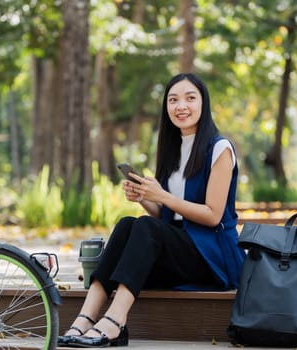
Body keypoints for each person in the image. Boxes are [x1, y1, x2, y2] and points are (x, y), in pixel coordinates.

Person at [58, 73, 245, 348]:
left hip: (212, 256)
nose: (181, 106)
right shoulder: (172, 149)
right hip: (180, 248)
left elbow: (213, 215)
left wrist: (163, 196)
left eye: (190, 98)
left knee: (146, 227)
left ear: (204, 104)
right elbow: (166, 218)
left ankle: (115, 321)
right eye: (173, 100)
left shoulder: (219, 149)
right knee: (127, 224)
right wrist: (146, 199)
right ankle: (85, 318)